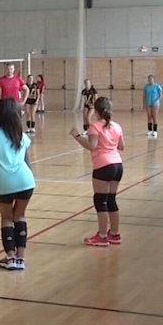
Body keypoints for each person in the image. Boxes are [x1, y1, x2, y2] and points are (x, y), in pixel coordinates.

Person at [0, 98, 35, 271]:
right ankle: (21, 257)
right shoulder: (22, 135)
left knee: (6, 218)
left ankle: (10, 257)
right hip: (26, 180)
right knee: (20, 216)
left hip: (3, 181)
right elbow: (27, 162)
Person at [70, 96, 124, 247]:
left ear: (96, 111)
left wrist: (77, 136)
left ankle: (102, 236)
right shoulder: (116, 126)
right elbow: (121, 146)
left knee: (101, 201)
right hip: (117, 165)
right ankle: (114, 234)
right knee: (111, 200)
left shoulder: (95, 127)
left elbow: (92, 146)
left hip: (103, 165)